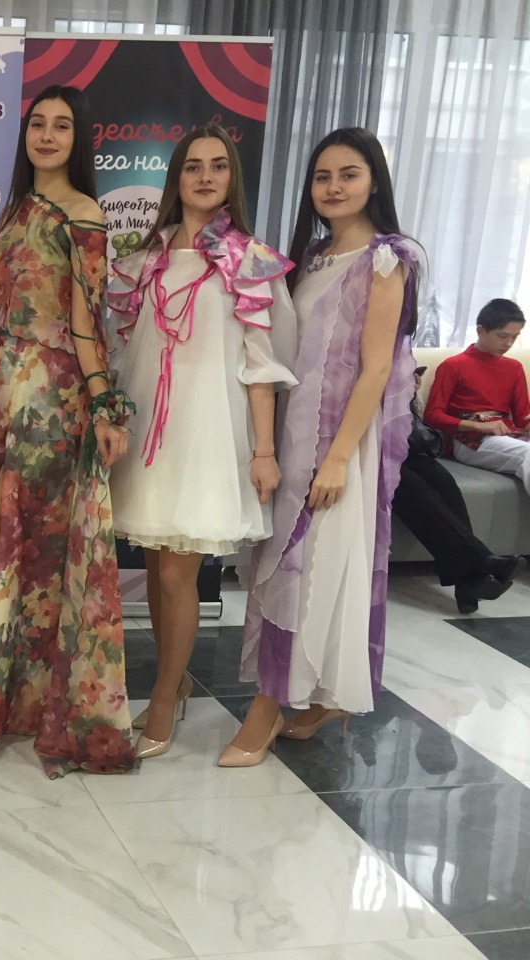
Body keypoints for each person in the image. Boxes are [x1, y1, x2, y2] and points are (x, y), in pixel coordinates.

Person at [0, 86, 135, 777]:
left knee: (1, 547)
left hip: (50, 403)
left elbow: (85, 325)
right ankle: (17, 700)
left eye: (62, 126)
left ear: (79, 139)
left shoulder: (83, 215)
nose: (47, 135)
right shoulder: (15, 211)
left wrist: (105, 408)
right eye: (38, 124)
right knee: (13, 560)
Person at [227, 128, 423, 766]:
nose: (334, 187)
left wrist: (338, 458)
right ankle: (321, 697)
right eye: (322, 176)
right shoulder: (310, 257)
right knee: (290, 567)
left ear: (374, 181)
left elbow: (376, 368)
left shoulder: (387, 259)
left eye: (349, 174)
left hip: (338, 444)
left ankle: (266, 707)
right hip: (292, 434)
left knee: (307, 570)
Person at [106, 125, 297, 759]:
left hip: (210, 431)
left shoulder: (249, 259)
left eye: (218, 165)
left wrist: (263, 451)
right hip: (151, 432)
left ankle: (162, 699)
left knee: (178, 572)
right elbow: (123, 349)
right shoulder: (148, 257)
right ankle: (176, 680)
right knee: (158, 567)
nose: (206, 176)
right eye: (193, 166)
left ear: (231, 178)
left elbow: (260, 366)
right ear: (177, 177)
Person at [395, 365, 522, 613]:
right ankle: (480, 562)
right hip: (366, 446)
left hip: (396, 441)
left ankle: (469, 580)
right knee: (412, 487)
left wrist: (408, 389)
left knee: (443, 481)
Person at [423, 298, 530, 495]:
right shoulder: (453, 366)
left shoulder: (514, 368)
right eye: (502, 336)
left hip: (506, 435)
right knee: (528, 453)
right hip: (469, 441)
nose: (508, 344)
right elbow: (432, 415)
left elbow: (523, 417)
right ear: (481, 330)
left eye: (514, 338)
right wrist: (479, 426)